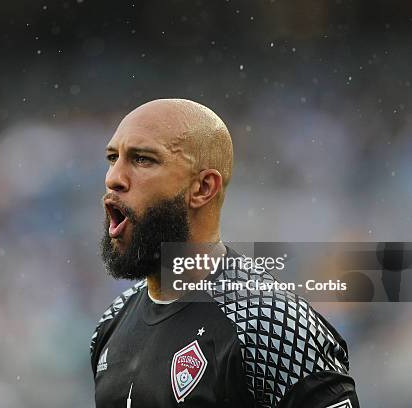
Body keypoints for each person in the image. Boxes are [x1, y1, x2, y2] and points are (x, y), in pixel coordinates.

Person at [90, 99, 359, 407]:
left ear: (203, 188)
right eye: (113, 158)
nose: (113, 178)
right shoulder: (113, 321)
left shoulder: (270, 324)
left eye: (143, 160)